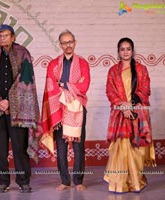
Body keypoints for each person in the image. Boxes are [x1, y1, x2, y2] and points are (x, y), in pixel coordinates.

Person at [0, 24, 40, 193]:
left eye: (6, 35)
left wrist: (9, 102)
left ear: (13, 37)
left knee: (19, 148)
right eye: (0, 36)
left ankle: (23, 181)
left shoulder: (23, 54)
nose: (2, 38)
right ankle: (2, 181)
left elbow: (25, 81)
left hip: (18, 110)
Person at [103, 37, 156, 193]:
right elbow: (110, 91)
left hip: (137, 113)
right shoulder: (113, 71)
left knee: (136, 148)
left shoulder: (141, 69)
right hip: (120, 114)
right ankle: (119, 183)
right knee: (119, 147)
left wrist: (131, 105)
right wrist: (122, 106)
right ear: (118, 52)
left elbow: (145, 89)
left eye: (128, 49)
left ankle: (135, 182)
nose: (125, 52)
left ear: (132, 51)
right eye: (122, 49)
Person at [40, 30, 90, 191]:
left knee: (78, 146)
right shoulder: (53, 64)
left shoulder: (83, 63)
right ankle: (64, 181)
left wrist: (64, 85)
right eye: (64, 42)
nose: (68, 45)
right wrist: (69, 87)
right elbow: (50, 85)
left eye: (70, 42)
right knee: (61, 147)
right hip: (59, 109)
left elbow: (85, 85)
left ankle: (79, 180)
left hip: (77, 108)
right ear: (60, 45)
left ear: (75, 42)